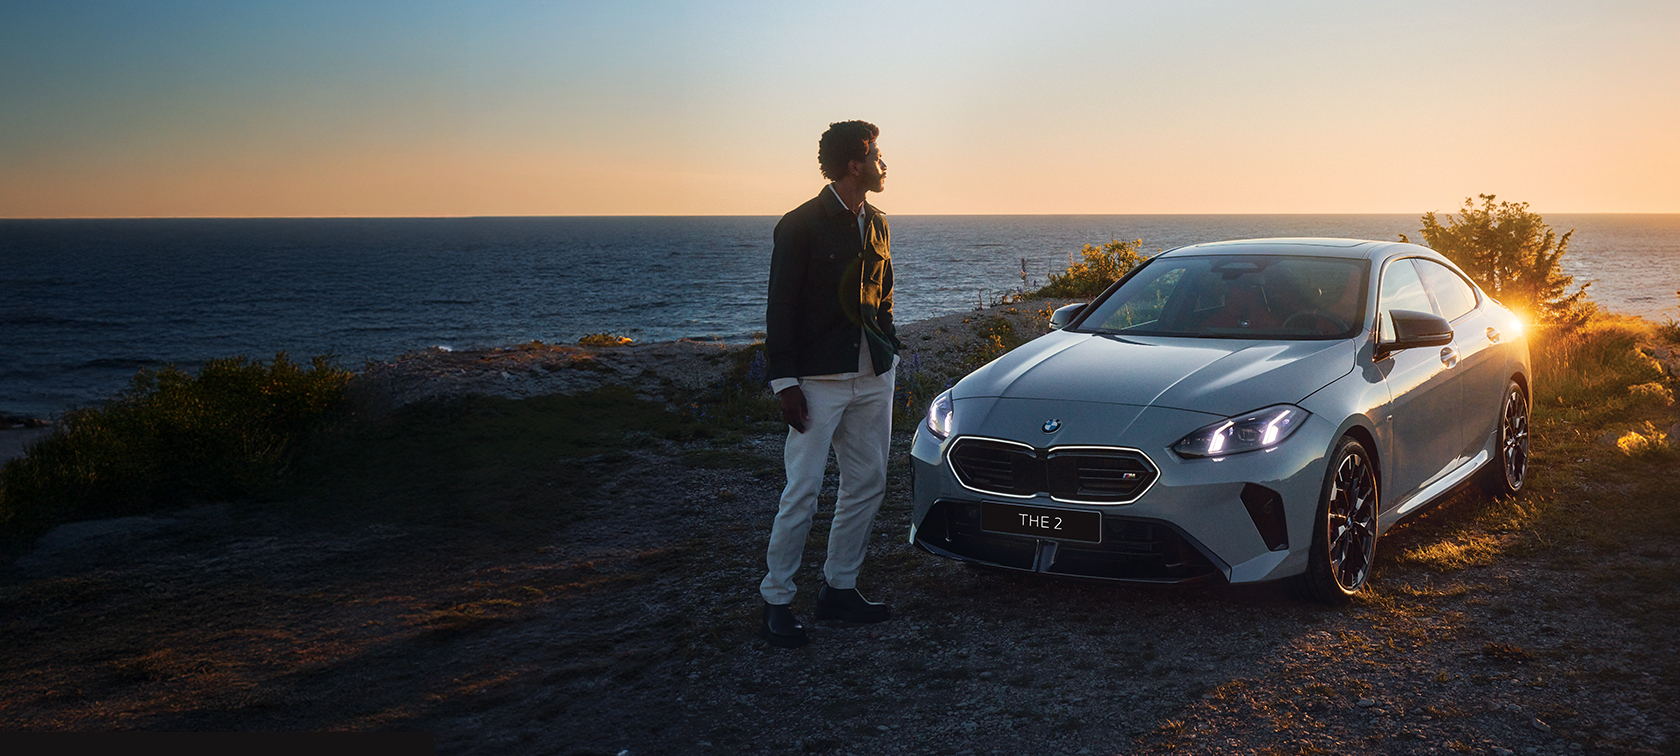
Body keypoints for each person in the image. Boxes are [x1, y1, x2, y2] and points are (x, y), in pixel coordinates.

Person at [759, 120, 903, 648]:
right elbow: (781, 308)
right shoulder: (799, 226)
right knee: (802, 490)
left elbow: (883, 297)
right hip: (816, 382)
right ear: (854, 164)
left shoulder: (880, 223)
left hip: (872, 376)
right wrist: (784, 383)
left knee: (868, 483)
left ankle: (839, 588)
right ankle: (776, 599)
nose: (885, 164)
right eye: (878, 156)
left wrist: (887, 354)